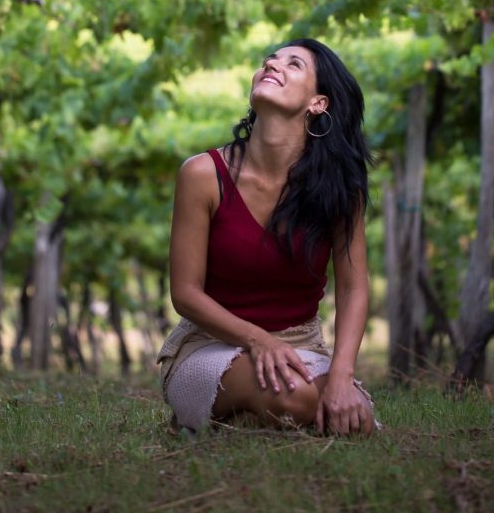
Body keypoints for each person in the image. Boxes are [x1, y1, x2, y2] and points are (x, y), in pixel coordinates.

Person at [157, 37, 377, 436]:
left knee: (355, 418)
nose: (272, 65)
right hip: (210, 345)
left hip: (301, 345)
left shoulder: (341, 188)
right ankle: (228, 411)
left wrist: (342, 376)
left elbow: (353, 287)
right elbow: (185, 294)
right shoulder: (202, 174)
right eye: (269, 61)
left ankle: (236, 423)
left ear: (318, 103)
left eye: (294, 64)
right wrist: (258, 340)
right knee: (298, 399)